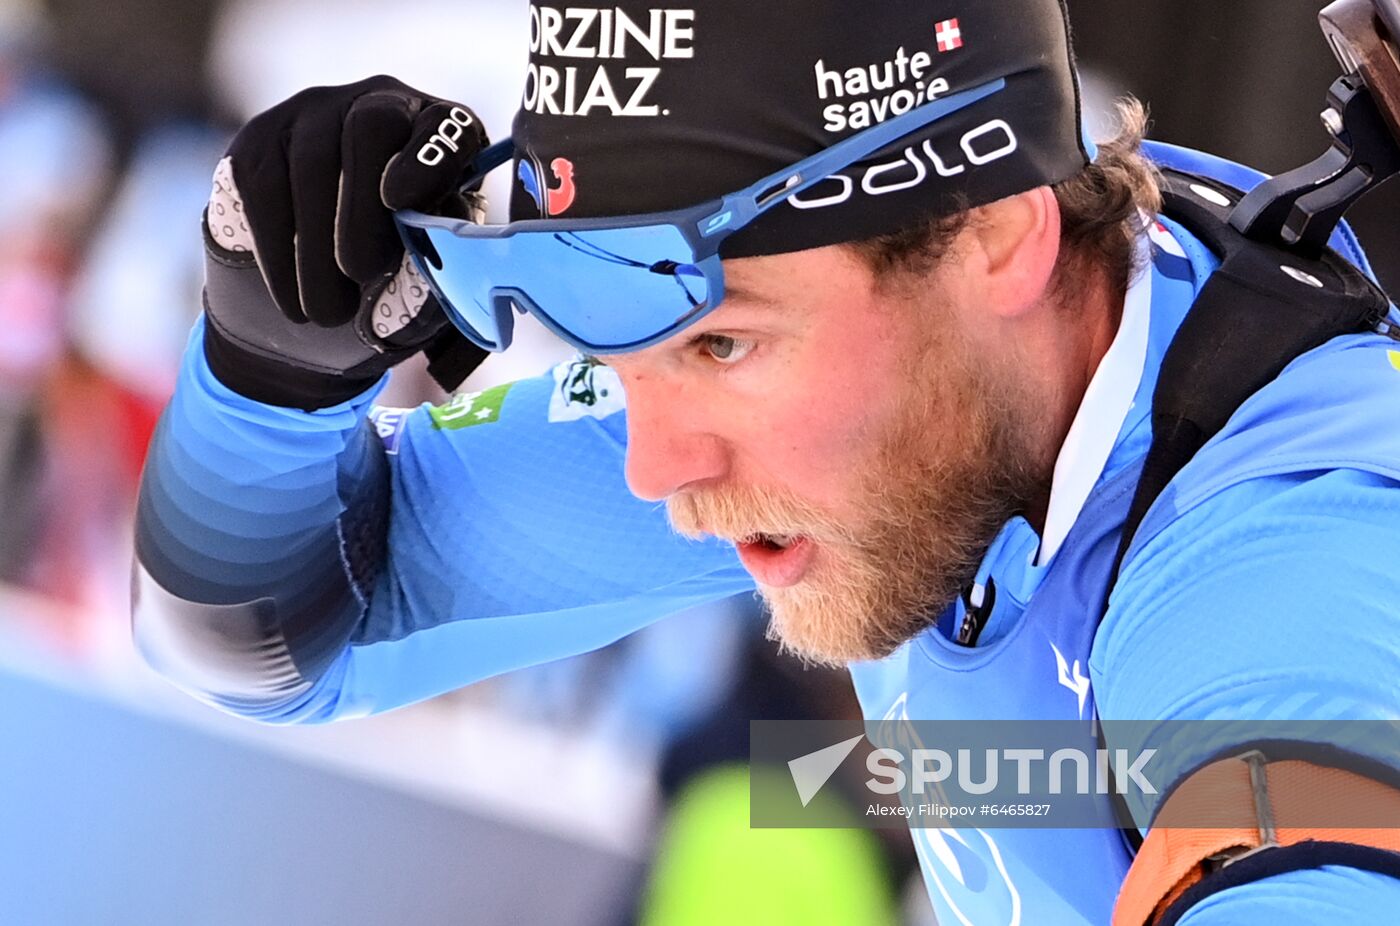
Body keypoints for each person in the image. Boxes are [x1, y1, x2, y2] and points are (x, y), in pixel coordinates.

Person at [131, 1, 1400, 922]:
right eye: (622, 361)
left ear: (994, 239)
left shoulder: (1281, 561)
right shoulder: (918, 404)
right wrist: (267, 373)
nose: (653, 471)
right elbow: (273, 641)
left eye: (723, 345)